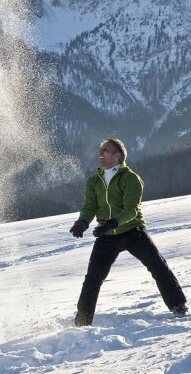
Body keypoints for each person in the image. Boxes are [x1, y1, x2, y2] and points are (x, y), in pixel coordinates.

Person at [69, 138, 187, 326]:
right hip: (106, 237)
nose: (101, 153)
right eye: (100, 150)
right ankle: (82, 322)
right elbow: (90, 206)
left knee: (157, 266)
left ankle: (178, 305)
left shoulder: (130, 178)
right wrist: (82, 222)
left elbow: (131, 209)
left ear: (118, 155)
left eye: (105, 150)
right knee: (92, 278)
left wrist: (112, 223)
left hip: (132, 231)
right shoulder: (93, 181)